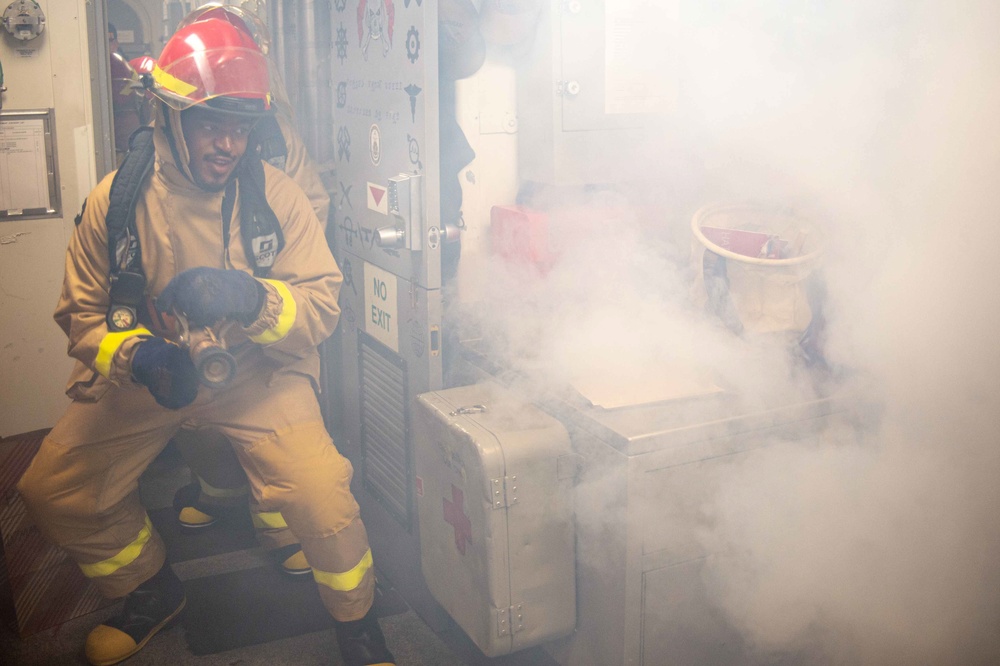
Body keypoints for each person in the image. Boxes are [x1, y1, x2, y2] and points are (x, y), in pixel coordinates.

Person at [17, 17, 394, 666]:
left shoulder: (277, 199)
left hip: (257, 375)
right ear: (167, 117)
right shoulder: (117, 204)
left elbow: (321, 307)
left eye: (242, 126)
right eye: (210, 122)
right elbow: (83, 314)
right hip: (152, 377)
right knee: (55, 486)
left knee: (321, 494)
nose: (228, 143)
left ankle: (359, 625)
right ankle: (150, 591)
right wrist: (142, 356)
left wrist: (253, 299)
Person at [162, 2, 331, 579]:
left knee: (280, 415)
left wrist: (259, 287)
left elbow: (309, 207)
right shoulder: (171, 124)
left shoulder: (274, 134)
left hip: (264, 306)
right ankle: (220, 490)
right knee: (194, 412)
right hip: (195, 316)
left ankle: (277, 515)